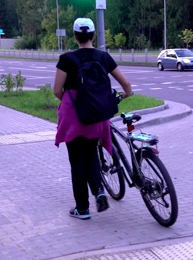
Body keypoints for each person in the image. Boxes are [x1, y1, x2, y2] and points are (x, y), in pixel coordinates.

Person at [53, 17, 133, 220]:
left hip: (74, 118)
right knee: (91, 155)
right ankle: (99, 192)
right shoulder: (103, 57)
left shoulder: (66, 59)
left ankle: (82, 209)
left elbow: (56, 91)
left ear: (74, 36)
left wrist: (73, 103)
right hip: (98, 118)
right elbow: (127, 86)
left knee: (77, 161)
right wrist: (116, 98)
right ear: (94, 35)